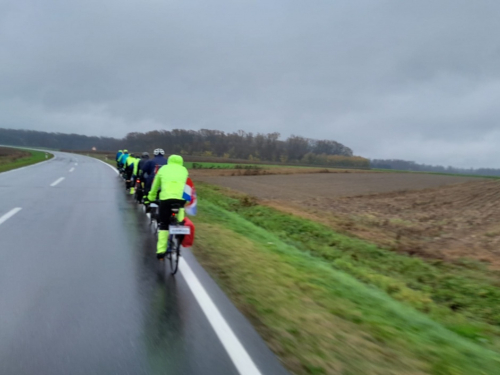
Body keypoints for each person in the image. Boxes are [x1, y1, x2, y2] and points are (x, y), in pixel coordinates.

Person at [147, 154, 188, 259]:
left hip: (166, 199)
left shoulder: (163, 169)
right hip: (180, 199)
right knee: (181, 215)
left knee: (164, 224)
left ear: (169, 161)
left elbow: (155, 184)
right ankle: (180, 228)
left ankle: (161, 251)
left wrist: (151, 197)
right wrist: (186, 200)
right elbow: (187, 186)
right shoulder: (184, 170)